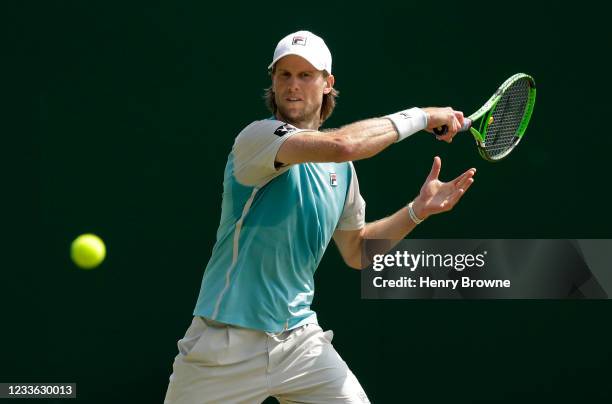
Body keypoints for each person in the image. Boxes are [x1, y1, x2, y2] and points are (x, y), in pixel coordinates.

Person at [164, 30, 476, 404]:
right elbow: (344, 145)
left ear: (328, 84)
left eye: (305, 75)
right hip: (224, 344)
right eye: (284, 75)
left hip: (299, 344)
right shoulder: (259, 138)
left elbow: (358, 251)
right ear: (273, 82)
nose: (293, 85)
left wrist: (416, 211)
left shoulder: (341, 174)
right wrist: (423, 116)